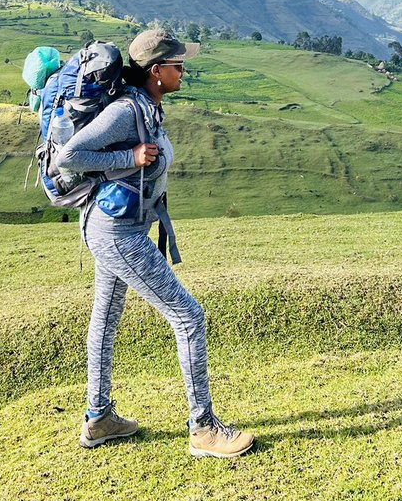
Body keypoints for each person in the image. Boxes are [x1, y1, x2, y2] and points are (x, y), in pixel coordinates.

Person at [54, 26, 255, 459]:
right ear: (157, 70)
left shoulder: (149, 106)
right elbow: (68, 155)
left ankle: (100, 418)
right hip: (117, 231)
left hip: (118, 225)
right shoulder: (127, 110)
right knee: (189, 316)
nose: (185, 71)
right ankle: (203, 427)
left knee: (105, 319)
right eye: (178, 65)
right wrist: (129, 158)